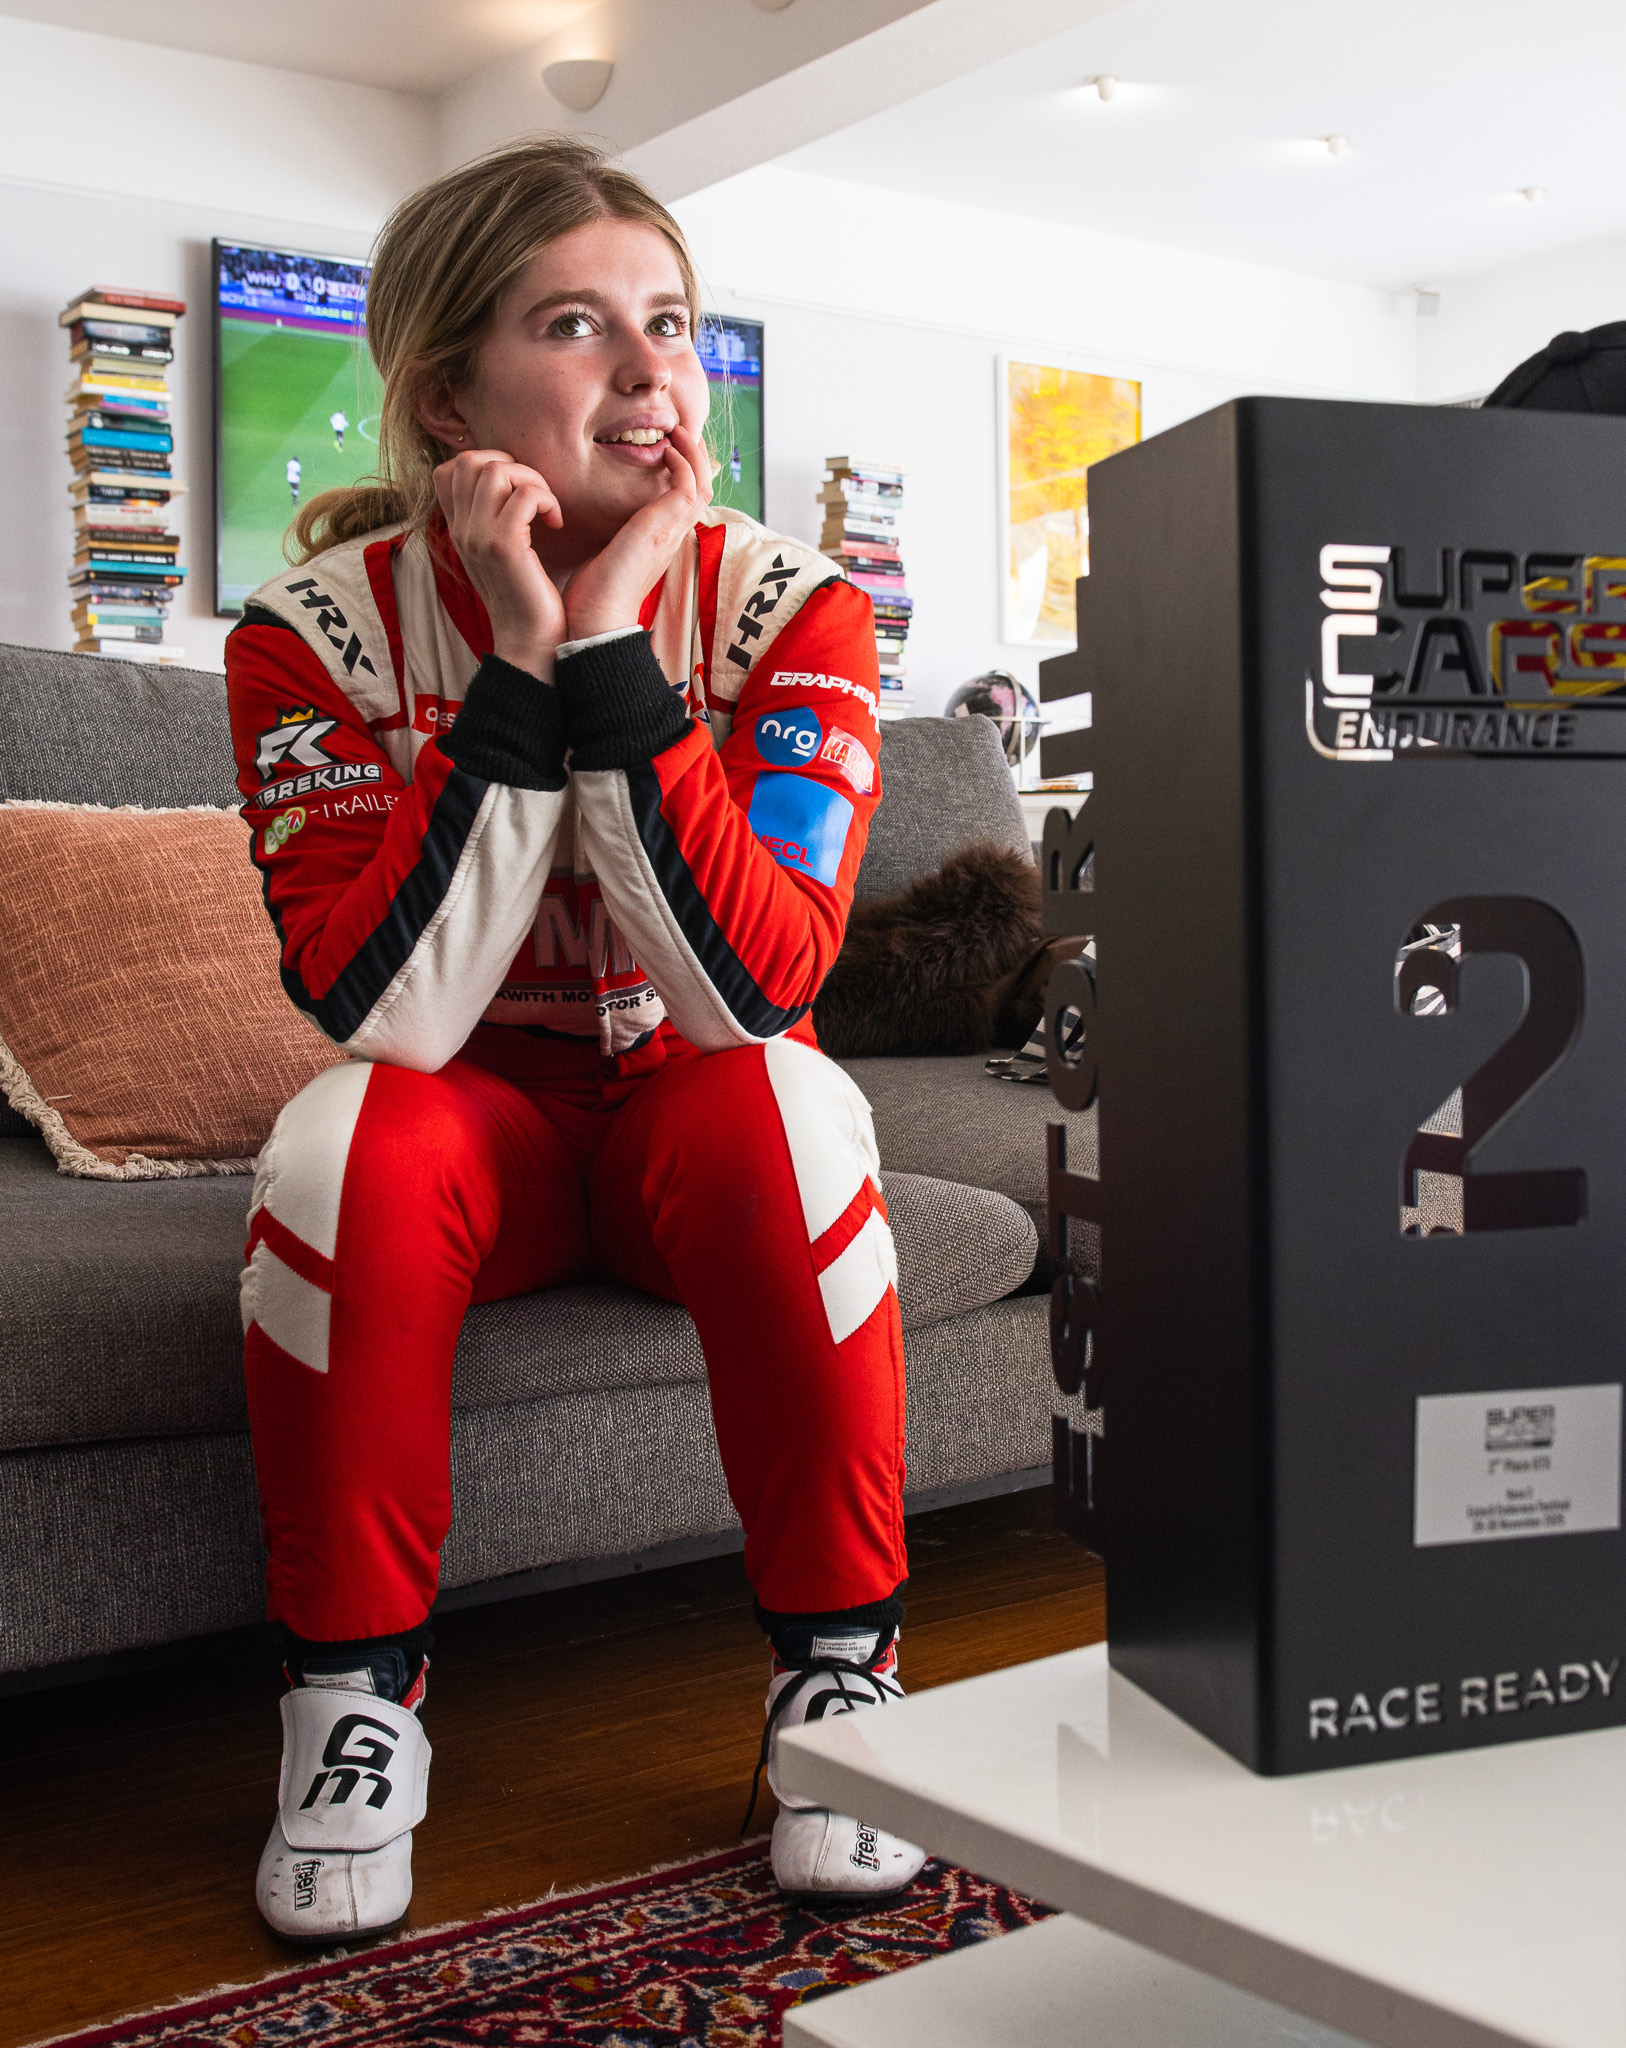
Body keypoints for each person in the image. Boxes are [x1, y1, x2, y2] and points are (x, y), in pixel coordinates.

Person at [227, 136, 919, 1946]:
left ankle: (843, 1676)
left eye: (669, 322)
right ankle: (352, 1705)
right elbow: (390, 1014)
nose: (648, 370)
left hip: (696, 1120)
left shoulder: (800, 607)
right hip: (486, 1130)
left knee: (787, 1100)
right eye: (574, 325)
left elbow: (753, 991)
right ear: (446, 395)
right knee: (342, 1133)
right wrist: (525, 665)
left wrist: (617, 643)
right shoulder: (306, 636)